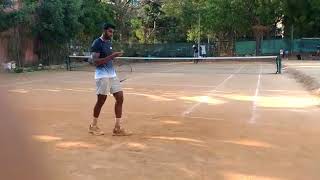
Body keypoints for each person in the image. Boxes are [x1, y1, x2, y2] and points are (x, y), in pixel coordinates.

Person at [89, 23, 131, 136]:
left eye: (112, 32)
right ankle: (93, 126)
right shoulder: (97, 43)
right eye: (109, 31)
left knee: (120, 98)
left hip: (112, 75)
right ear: (104, 31)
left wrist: (114, 59)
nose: (111, 34)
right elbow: (95, 62)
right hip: (102, 76)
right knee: (101, 100)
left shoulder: (109, 43)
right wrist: (112, 56)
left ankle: (117, 128)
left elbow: (108, 59)